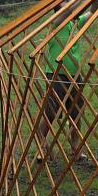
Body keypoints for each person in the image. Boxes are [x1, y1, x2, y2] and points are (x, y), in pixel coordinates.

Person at [38, 9, 89, 162]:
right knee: (50, 114)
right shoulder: (56, 23)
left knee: (76, 113)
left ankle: (75, 148)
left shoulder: (76, 22)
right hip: (56, 75)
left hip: (75, 75)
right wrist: (72, 6)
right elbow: (63, 16)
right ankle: (41, 148)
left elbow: (92, 12)